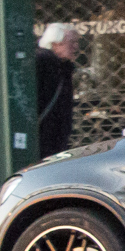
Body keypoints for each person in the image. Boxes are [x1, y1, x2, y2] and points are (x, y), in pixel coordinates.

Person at [36, 23, 80, 159]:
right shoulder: (46, 65)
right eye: (71, 42)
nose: (76, 47)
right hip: (47, 135)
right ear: (56, 43)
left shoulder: (62, 67)